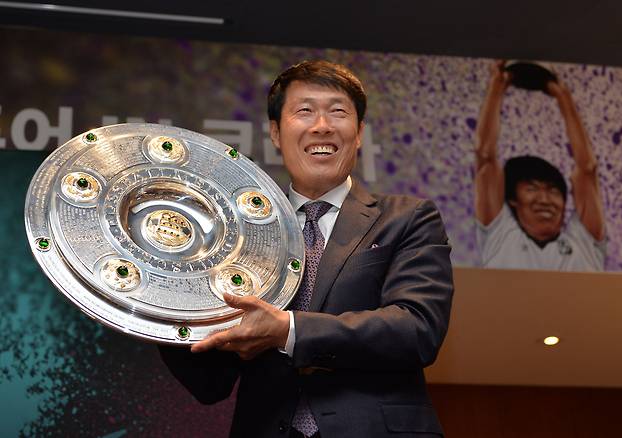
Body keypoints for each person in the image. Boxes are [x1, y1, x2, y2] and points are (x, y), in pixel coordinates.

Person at [159, 60, 454, 437]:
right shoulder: (240, 236)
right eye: (305, 111)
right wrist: (159, 307)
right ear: (276, 132)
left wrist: (289, 330)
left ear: (359, 133)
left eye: (338, 112)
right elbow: (210, 383)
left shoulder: (408, 217)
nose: (322, 126)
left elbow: (417, 329)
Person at [474, 60, 606, 271]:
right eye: (532, 189)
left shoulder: (584, 243)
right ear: (513, 200)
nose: (545, 200)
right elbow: (485, 155)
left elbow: (587, 168)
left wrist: (562, 96)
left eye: (553, 191)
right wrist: (498, 85)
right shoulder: (500, 237)